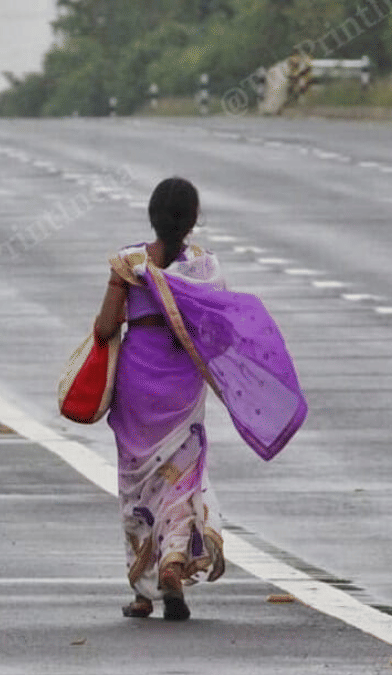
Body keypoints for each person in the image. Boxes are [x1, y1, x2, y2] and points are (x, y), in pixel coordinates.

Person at [93, 177, 305, 622]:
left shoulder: (128, 264)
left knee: (138, 479)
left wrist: (124, 291)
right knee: (181, 473)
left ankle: (144, 590)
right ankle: (173, 559)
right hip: (182, 384)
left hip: (137, 385)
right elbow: (221, 331)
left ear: (151, 217)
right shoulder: (205, 269)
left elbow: (105, 329)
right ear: (192, 221)